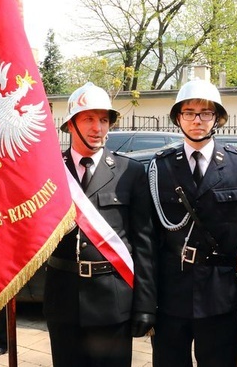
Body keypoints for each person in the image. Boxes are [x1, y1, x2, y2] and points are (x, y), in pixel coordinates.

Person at [148, 79, 237, 367]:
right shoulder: (158, 167)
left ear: (217, 118)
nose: (197, 120)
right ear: (178, 117)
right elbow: (147, 239)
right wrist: (146, 301)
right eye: (189, 112)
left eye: (205, 112)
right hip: (170, 295)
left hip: (222, 296)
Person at [44, 82, 156, 367]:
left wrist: (145, 305)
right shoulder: (49, 171)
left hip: (113, 301)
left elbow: (143, 243)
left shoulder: (130, 171)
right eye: (89, 119)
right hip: (63, 297)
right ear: (70, 125)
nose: (98, 128)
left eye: (104, 120)